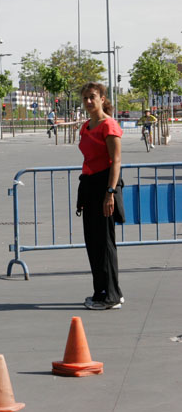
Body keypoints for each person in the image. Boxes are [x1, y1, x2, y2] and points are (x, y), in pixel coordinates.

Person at [76, 82, 124, 310]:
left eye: (92, 97)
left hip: (105, 186)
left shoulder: (109, 126)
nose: (88, 101)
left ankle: (110, 296)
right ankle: (104, 290)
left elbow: (116, 162)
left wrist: (110, 193)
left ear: (102, 98)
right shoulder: (86, 126)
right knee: (93, 243)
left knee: (104, 243)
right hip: (89, 186)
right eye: (85, 98)